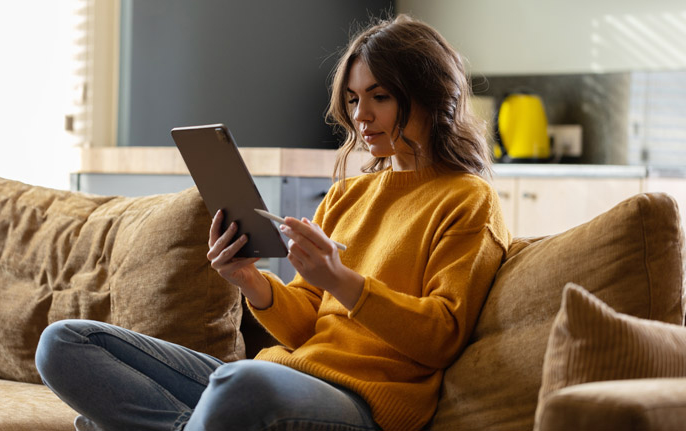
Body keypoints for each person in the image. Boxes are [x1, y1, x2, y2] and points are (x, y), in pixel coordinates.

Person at [36, 14, 510, 431]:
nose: (360, 116)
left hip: (364, 402)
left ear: (430, 96)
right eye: (351, 99)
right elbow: (305, 324)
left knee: (241, 382)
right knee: (66, 342)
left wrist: (343, 281)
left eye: (379, 97)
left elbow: (442, 338)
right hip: (286, 374)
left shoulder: (468, 201)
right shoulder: (348, 196)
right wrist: (248, 280)